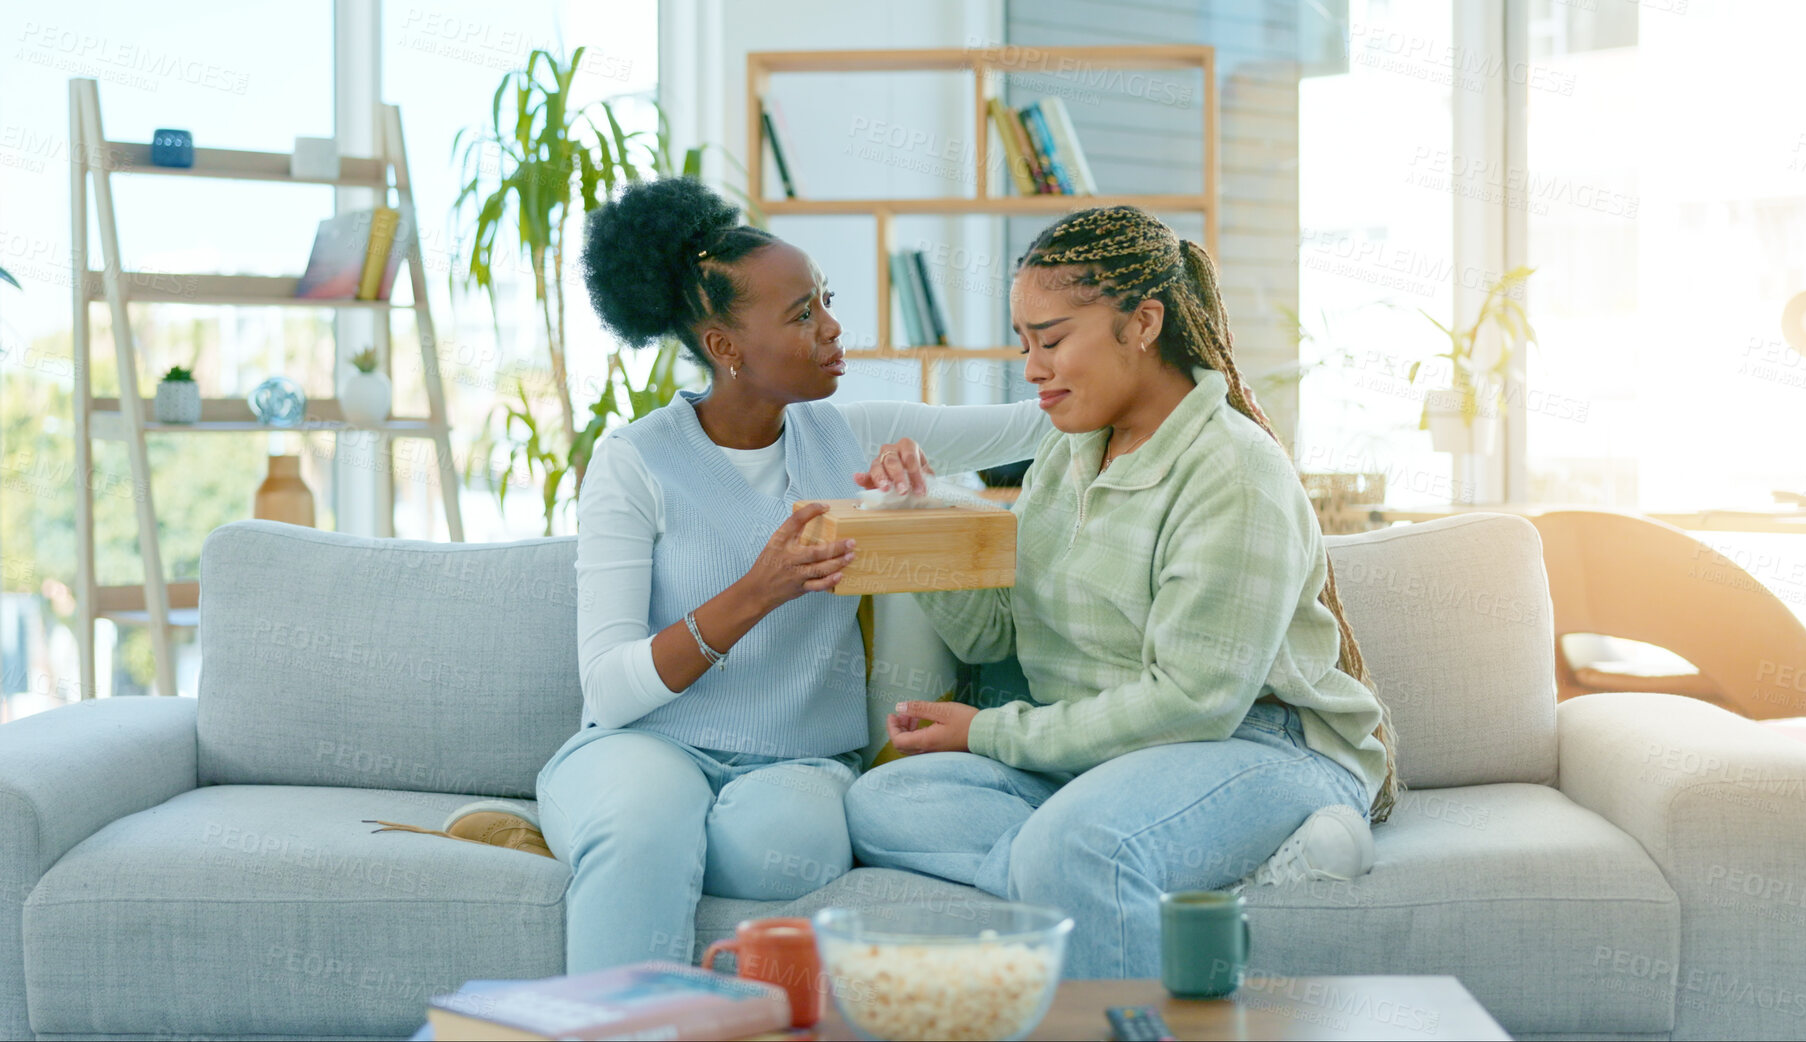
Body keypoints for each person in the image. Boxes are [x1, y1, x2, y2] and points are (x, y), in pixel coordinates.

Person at [843, 205, 1400, 979]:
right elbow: (995, 635)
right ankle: (1148, 867)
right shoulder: (1067, 453)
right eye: (1024, 343)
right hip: (1098, 759)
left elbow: (1192, 702)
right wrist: (924, 518)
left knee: (1075, 848)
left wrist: (990, 733)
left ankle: (1112, 864)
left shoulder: (1233, 471)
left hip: (1249, 746)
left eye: (1053, 339)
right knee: (882, 802)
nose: (1032, 368)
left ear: (1142, 323)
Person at [535, 177, 1051, 972]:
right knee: (644, 825)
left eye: (825, 300)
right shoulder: (632, 462)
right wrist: (759, 589)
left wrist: (1167, 364)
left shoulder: (854, 436)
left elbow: (1038, 422)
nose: (834, 328)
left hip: (799, 763)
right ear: (725, 348)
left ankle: (649, 844)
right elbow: (607, 690)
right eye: (802, 313)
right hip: (648, 746)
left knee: (786, 849)